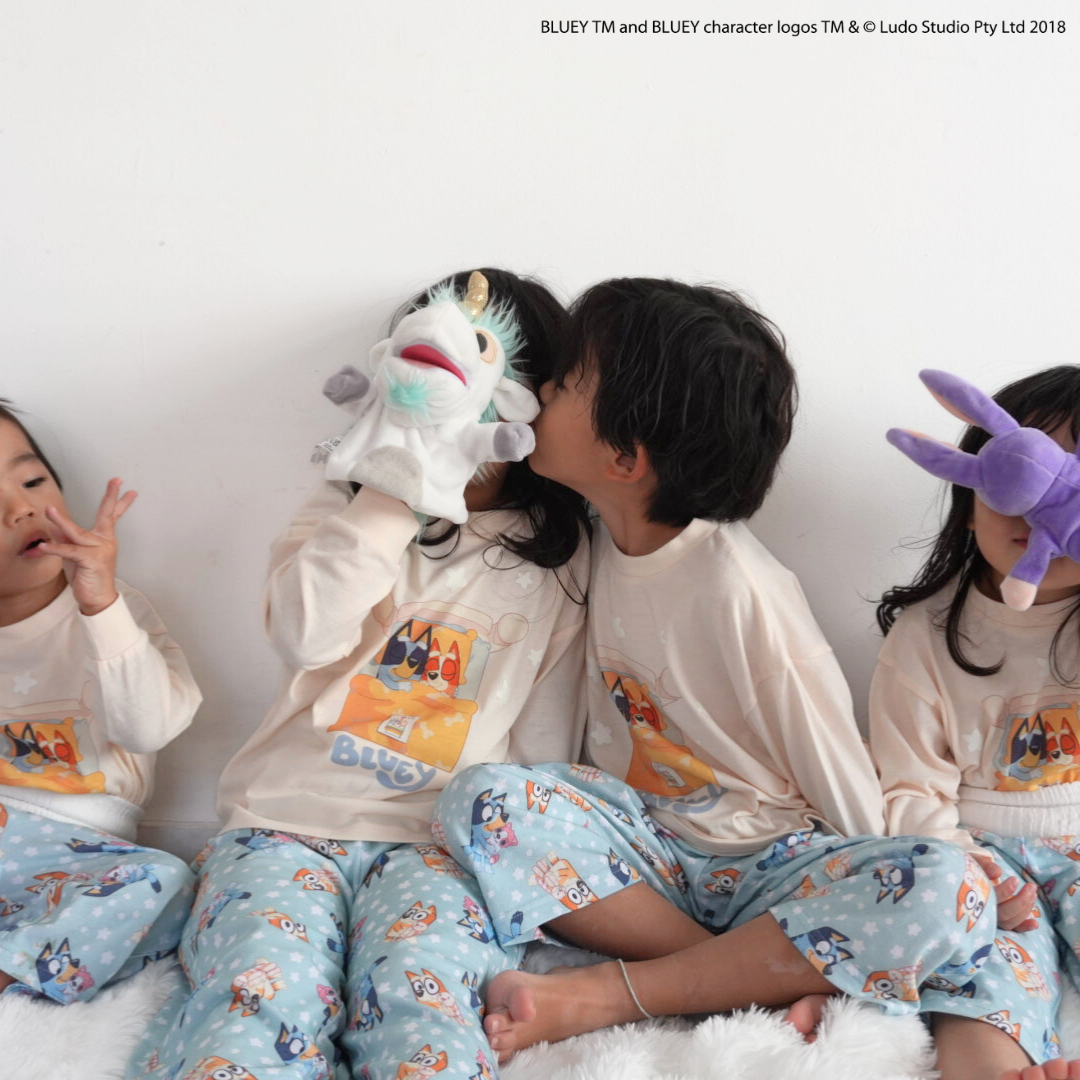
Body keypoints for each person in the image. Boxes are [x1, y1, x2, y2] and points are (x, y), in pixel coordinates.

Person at [432, 278, 1006, 1070]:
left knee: (950, 890)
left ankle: (617, 993)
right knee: (478, 800)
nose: (542, 394)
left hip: (774, 859)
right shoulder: (589, 547)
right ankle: (743, 979)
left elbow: (828, 751)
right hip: (651, 853)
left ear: (626, 458)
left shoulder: (740, 587)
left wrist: (874, 866)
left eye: (565, 383)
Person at [134, 269, 591, 1080]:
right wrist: (398, 488)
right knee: (259, 995)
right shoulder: (343, 510)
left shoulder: (557, 556)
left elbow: (542, 743)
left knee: (425, 1010)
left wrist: (515, 876)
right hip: (285, 820)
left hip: (437, 844)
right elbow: (305, 635)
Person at [870, 366, 1080, 1080]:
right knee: (980, 980)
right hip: (982, 853)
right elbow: (908, 788)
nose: (1037, 508)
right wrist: (976, 869)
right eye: (1019, 476)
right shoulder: (924, 636)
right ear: (970, 495)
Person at [0, 399, 199, 1004]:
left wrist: (100, 606)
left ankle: (14, 967)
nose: (20, 509)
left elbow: (148, 730)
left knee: (167, 882)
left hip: (86, 854)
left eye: (32, 481)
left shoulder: (115, 611)